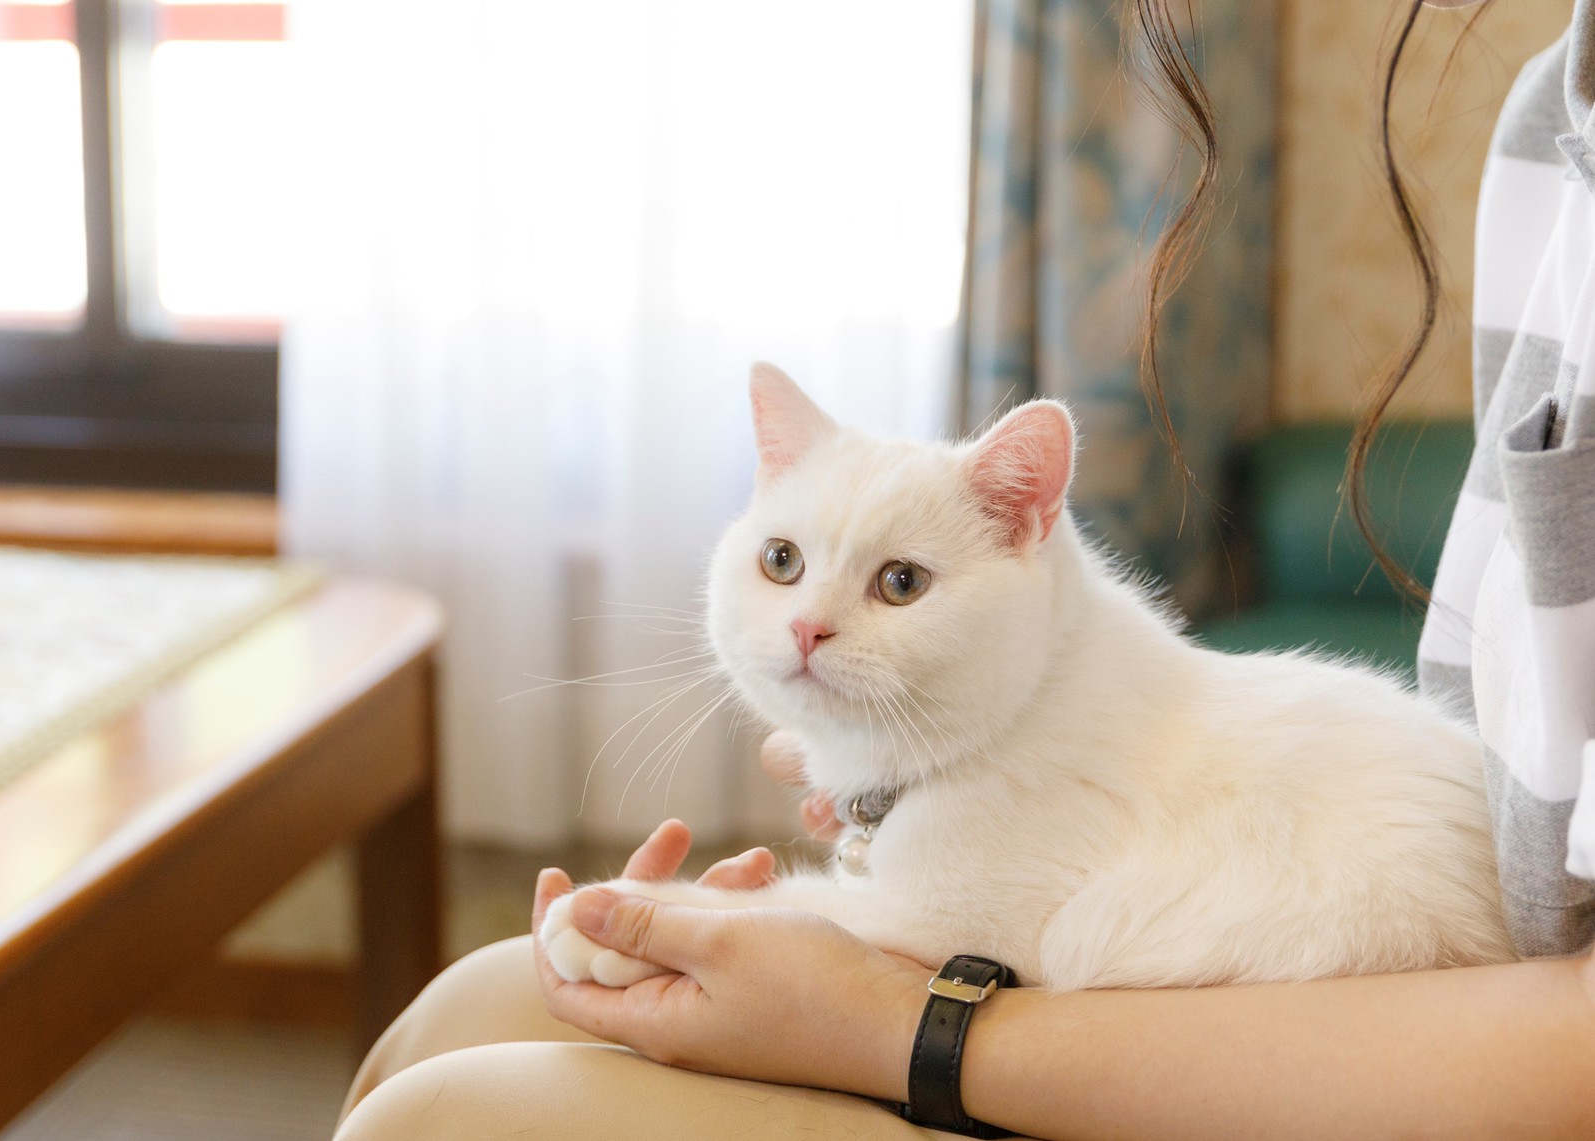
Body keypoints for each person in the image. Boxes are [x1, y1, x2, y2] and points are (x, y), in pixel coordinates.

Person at [334, 0, 1595, 1134]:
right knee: (465, 1008)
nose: (810, 622)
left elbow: (944, 940)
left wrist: (827, 981)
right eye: (778, 559)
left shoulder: (1097, 730)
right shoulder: (1549, 118)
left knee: (442, 1107)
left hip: (1341, 1053)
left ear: (1026, 532)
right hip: (1342, 961)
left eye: (895, 584)